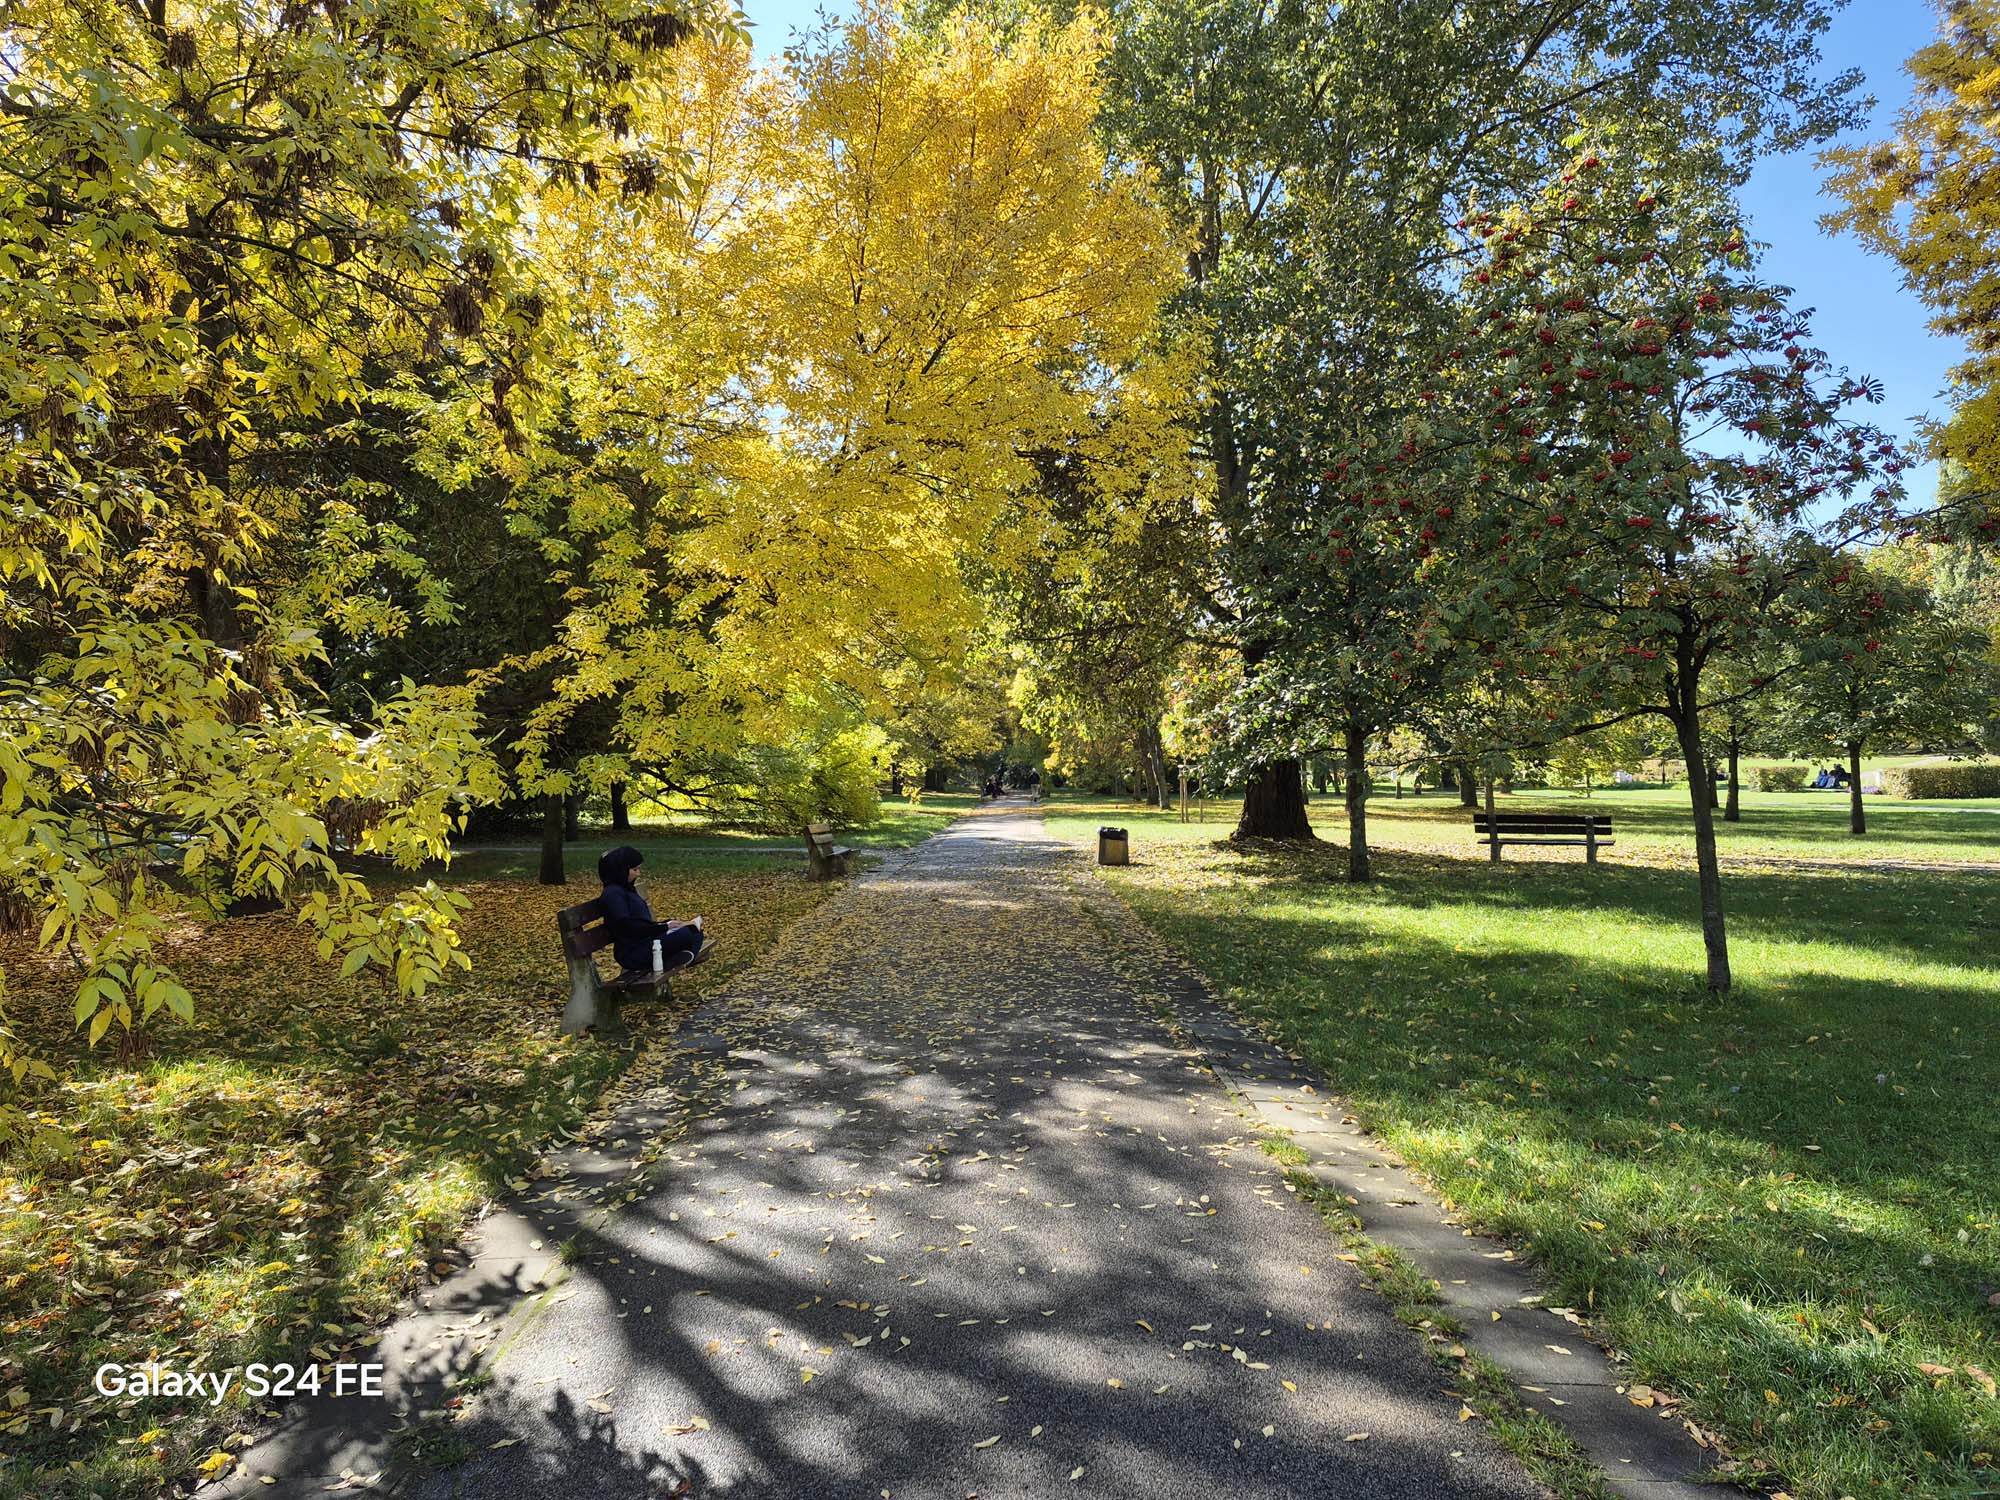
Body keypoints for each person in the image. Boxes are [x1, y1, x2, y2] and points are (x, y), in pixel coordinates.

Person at [596, 846, 704, 977]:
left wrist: (666, 925)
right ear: (621, 870)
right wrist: (663, 927)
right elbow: (628, 927)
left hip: (647, 942)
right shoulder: (613, 894)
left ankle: (677, 959)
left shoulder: (625, 889)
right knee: (686, 934)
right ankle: (671, 961)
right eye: (634, 869)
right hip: (634, 953)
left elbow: (641, 923)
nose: (638, 873)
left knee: (695, 931)